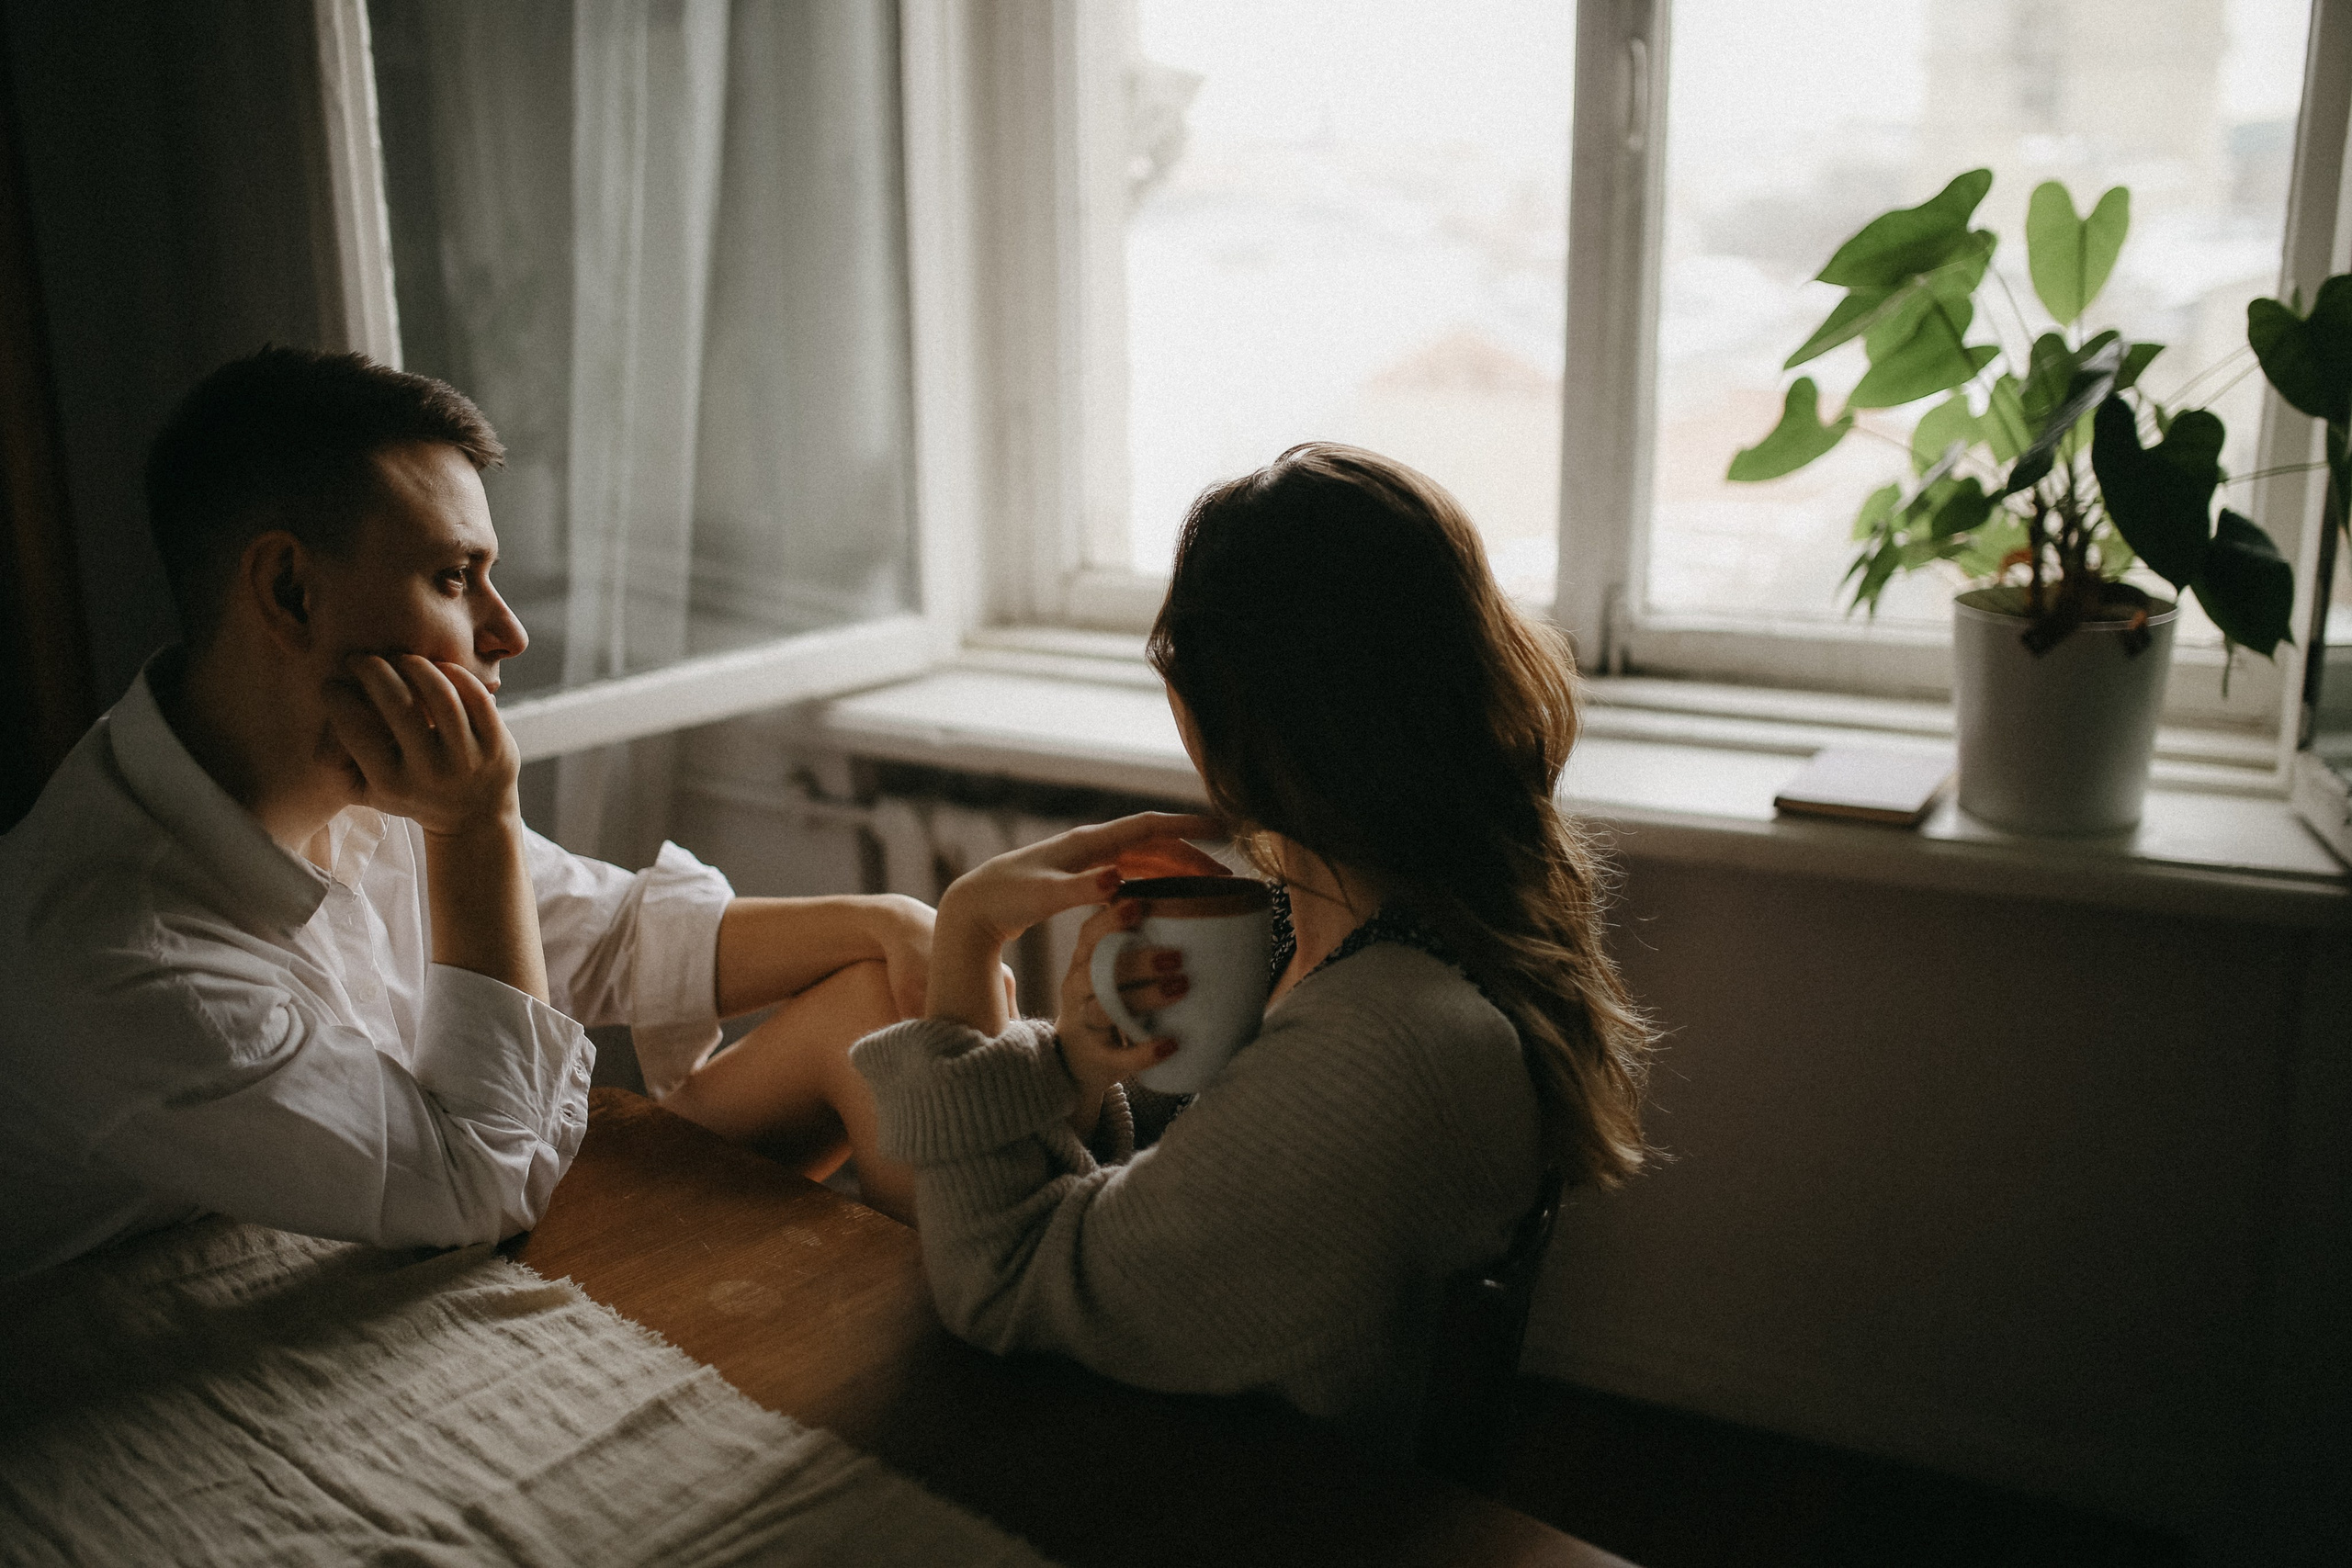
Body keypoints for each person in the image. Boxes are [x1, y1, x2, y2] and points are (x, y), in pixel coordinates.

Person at [0, 346, 931, 1279]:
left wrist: (893, 925)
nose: (507, 632)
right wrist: (475, 831)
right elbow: (488, 1182)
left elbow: (608, 936)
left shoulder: (378, 781)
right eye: (454, 577)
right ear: (289, 592)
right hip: (178, 1290)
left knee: (884, 999)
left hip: (431, 1191)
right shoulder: (113, 953)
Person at [849, 442, 1656, 1446]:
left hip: (1241, 1497)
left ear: (1224, 718)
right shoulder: (1394, 921)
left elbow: (1002, 1284)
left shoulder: (1379, 1045)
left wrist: (971, 933)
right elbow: (1164, 1205)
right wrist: (1077, 1066)